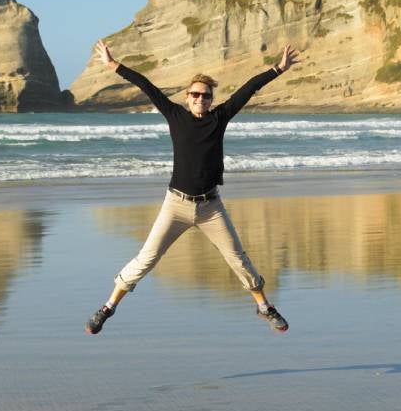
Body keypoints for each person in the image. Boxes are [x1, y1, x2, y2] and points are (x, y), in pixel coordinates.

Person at [85, 39, 300, 335]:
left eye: (206, 96)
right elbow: (147, 86)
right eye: (196, 95)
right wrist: (113, 65)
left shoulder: (219, 118)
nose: (201, 99)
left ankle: (265, 308)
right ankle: (108, 308)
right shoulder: (175, 116)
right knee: (146, 259)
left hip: (211, 207)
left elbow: (248, 90)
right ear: (187, 97)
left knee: (238, 258)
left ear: (211, 100)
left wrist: (278, 69)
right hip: (176, 205)